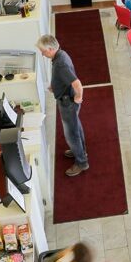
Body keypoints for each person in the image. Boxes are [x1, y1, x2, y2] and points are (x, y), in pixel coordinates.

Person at [37, 35, 88, 177]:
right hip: (67, 97)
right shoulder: (61, 55)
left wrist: (78, 98)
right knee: (75, 127)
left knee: (71, 134)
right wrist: (56, 85)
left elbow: (77, 84)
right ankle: (80, 151)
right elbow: (63, 77)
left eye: (43, 51)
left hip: (68, 102)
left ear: (51, 49)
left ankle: (81, 162)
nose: (42, 53)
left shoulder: (60, 63)